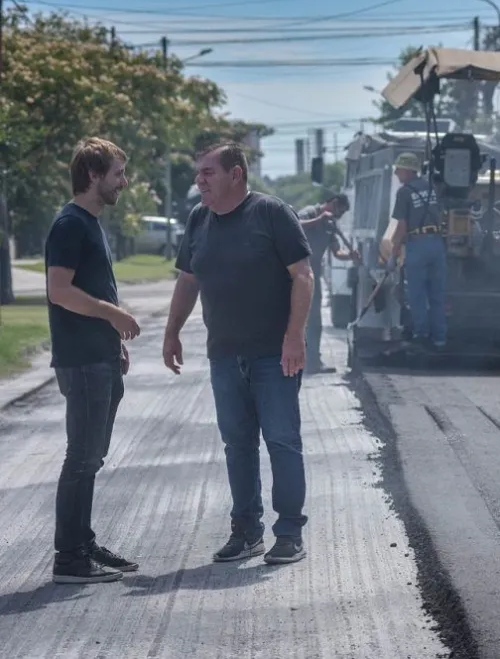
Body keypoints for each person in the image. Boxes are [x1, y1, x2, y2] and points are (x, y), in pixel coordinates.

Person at [163, 141, 314, 565]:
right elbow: (187, 281)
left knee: (282, 441)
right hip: (224, 355)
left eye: (208, 172)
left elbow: (303, 276)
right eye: (198, 173)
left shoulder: (271, 213)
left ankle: (289, 533)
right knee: (237, 445)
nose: (199, 181)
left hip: (273, 355)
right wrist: (172, 332)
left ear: (236, 174)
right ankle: (247, 532)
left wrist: (295, 336)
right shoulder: (199, 219)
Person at [45, 137, 141, 584]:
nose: (125, 182)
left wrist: (113, 338)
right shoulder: (70, 224)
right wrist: (113, 314)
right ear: (93, 175)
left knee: (91, 457)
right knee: (81, 457)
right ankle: (70, 559)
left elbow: (90, 287)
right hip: (81, 361)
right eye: (118, 173)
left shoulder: (90, 223)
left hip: (99, 355)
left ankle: (82, 543)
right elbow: (59, 291)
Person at [387, 152, 446, 349]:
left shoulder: (404, 193)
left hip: (418, 245)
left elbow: (401, 227)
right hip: (437, 244)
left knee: (417, 294)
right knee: (437, 294)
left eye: (398, 169)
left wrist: (393, 255)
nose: (396, 173)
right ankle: (440, 338)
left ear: (408, 170)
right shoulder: (432, 187)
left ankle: (421, 335)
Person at [296, 193, 360, 373]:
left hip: (313, 274)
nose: (339, 216)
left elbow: (337, 252)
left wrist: (350, 255)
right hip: (295, 271)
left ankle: (313, 361)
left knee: (314, 320)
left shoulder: (331, 226)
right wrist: (319, 219)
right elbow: (294, 226)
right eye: (340, 211)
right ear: (333, 203)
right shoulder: (310, 212)